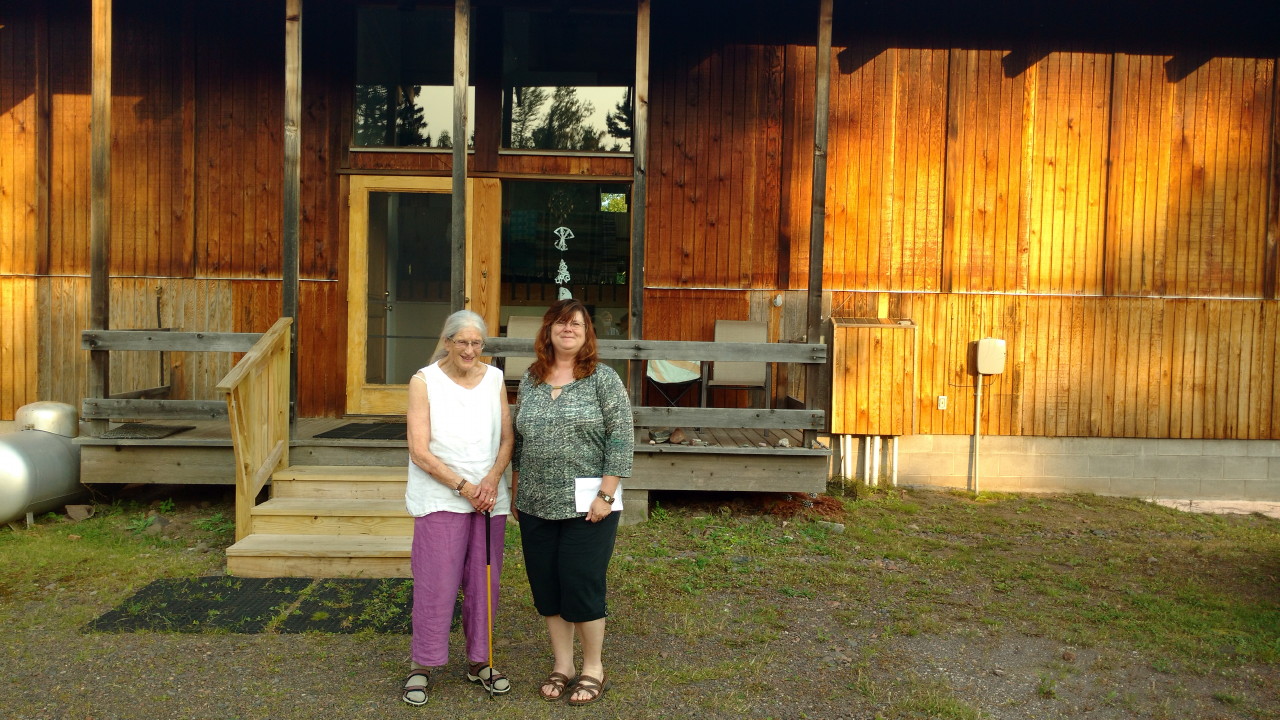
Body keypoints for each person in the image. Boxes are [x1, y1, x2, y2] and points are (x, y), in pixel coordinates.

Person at [512, 298, 634, 706]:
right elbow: (519, 440)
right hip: (534, 501)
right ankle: (563, 664)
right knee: (547, 586)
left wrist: (606, 493)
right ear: (548, 331)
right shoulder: (530, 379)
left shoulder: (603, 379)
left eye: (577, 325)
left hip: (589, 505)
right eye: (561, 324)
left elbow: (621, 438)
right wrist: (515, 487)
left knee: (581, 583)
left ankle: (592, 667)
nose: (568, 330)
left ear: (587, 334)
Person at [402, 310, 514, 706]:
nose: (469, 350)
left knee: (485, 583)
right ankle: (423, 664)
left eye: (477, 343)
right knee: (437, 582)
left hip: (488, 498)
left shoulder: (495, 379)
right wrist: (464, 486)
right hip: (441, 497)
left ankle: (479, 661)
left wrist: (491, 480)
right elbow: (419, 450)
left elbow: (506, 438)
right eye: (462, 342)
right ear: (447, 341)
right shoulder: (424, 381)